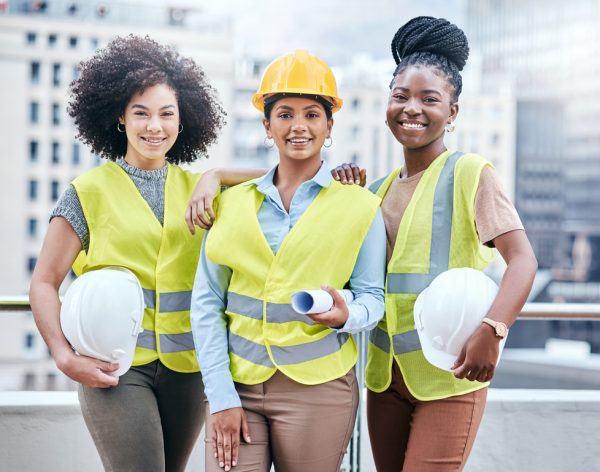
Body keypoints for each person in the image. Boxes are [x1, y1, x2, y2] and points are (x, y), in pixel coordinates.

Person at [28, 35, 259, 472]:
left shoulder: (203, 189)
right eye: (141, 113)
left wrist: (217, 173)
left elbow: (286, 178)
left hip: (186, 369)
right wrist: (63, 355)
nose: (155, 126)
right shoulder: (86, 192)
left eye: (166, 114)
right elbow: (43, 281)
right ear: (120, 117)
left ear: (183, 118)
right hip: (112, 366)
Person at [332, 17, 538, 472]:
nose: (412, 109)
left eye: (430, 99)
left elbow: (522, 261)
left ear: (454, 112)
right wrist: (344, 200)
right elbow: (350, 277)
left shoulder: (470, 173)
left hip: (451, 372)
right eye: (401, 96)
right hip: (386, 379)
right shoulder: (378, 191)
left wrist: (493, 330)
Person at [190, 49, 386, 472]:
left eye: (312, 114)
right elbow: (206, 304)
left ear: (329, 125)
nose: (299, 126)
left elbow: (374, 298)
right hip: (237, 385)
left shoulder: (360, 207)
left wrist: (345, 314)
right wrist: (221, 396)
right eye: (284, 114)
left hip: (319, 392)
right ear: (267, 125)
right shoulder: (231, 202)